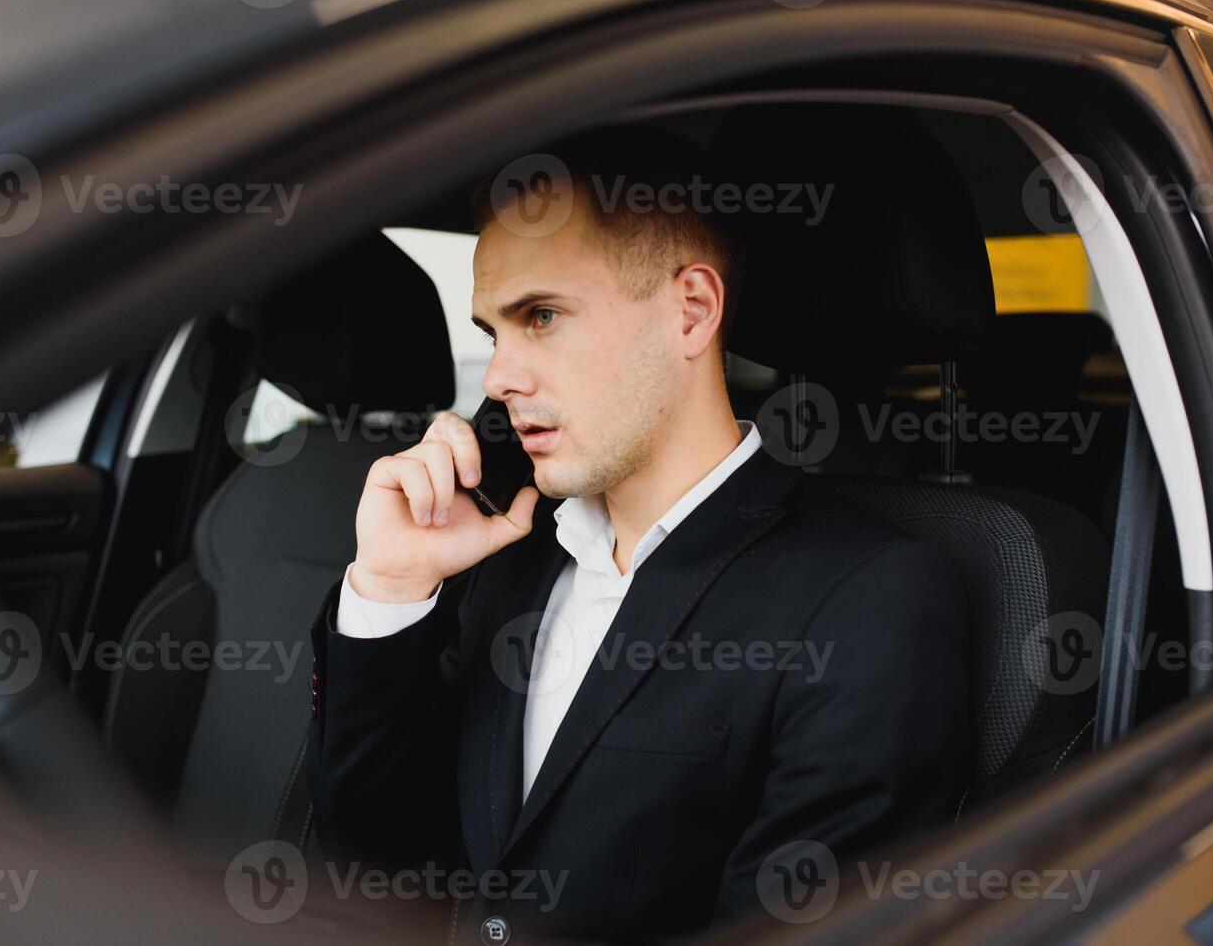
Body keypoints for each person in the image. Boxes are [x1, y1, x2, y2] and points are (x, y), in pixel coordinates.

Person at [306, 127, 971, 943]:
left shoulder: (869, 601)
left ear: (691, 311)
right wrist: (393, 588)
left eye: (541, 316)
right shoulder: (503, 555)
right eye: (492, 333)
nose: (501, 378)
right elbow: (369, 869)